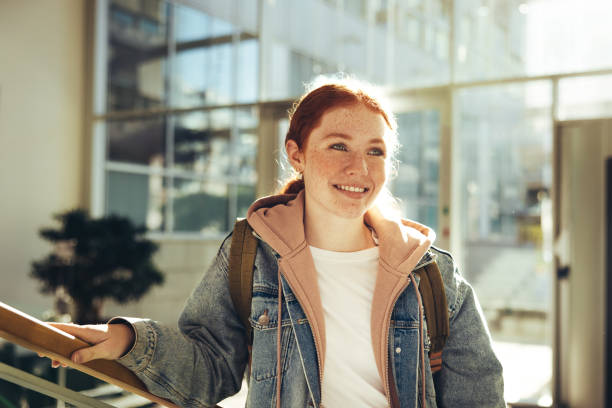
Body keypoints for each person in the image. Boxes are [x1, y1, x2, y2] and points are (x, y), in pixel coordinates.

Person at [47, 77, 505, 407]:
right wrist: (132, 340)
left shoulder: (430, 271)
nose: (359, 170)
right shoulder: (251, 255)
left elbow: (478, 397)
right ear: (297, 155)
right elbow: (211, 371)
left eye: (375, 151)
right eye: (338, 146)